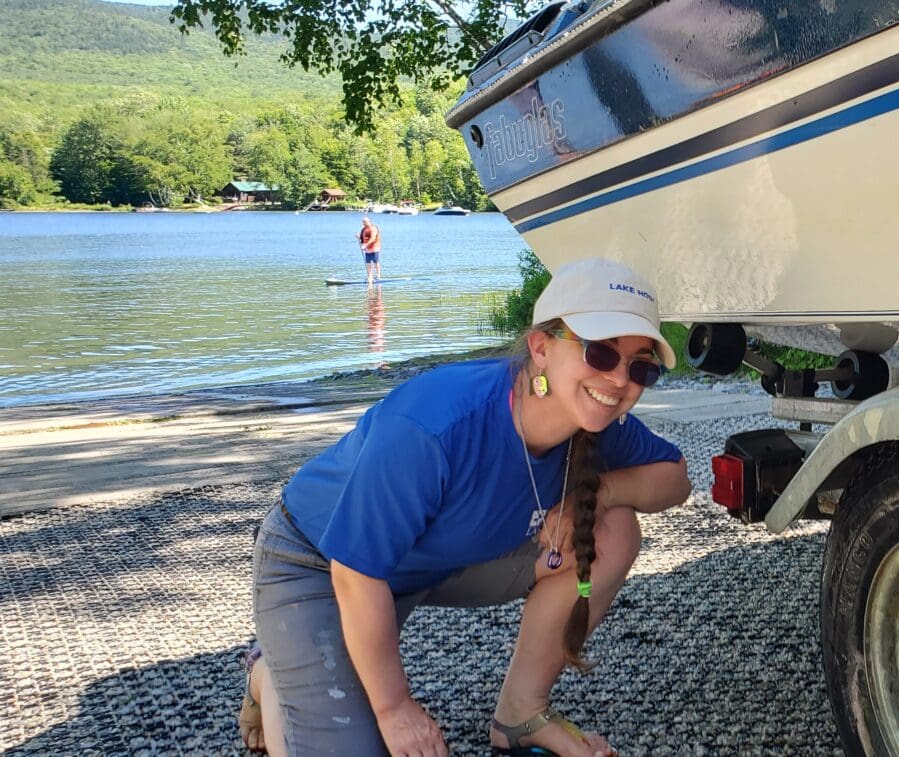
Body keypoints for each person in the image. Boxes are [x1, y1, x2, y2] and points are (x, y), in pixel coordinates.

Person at [238, 258, 690, 756]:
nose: (620, 379)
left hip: (433, 565)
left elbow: (675, 481)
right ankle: (273, 673)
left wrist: (599, 493)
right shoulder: (433, 424)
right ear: (541, 348)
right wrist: (395, 709)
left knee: (614, 529)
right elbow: (355, 572)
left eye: (641, 366)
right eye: (601, 353)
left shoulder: (598, 421)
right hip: (321, 567)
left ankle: (520, 714)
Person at [359, 217, 383, 284]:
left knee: (376, 262)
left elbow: (372, 238)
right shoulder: (363, 229)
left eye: (365, 222)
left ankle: (378, 276)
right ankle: (370, 276)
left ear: (369, 221)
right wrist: (359, 237)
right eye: (363, 222)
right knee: (368, 262)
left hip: (375, 248)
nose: (364, 223)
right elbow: (362, 238)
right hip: (367, 249)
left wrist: (365, 245)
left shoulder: (373, 228)